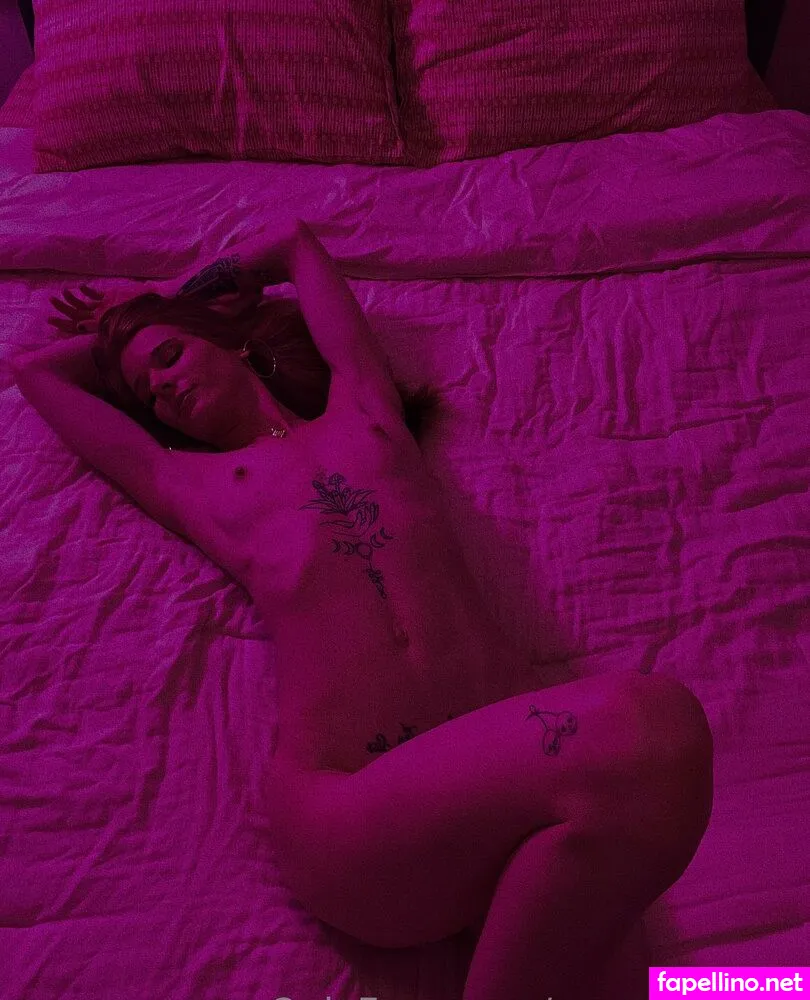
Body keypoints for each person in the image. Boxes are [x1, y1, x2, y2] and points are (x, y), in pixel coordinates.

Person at [12, 219, 713, 1000]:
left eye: (170, 357)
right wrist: (133, 323)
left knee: (626, 972)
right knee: (652, 726)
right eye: (149, 393)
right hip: (351, 806)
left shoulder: (366, 410)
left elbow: (294, 244)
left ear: (230, 342)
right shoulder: (194, 485)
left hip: (501, 790)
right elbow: (37, 371)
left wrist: (171, 300)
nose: (164, 389)